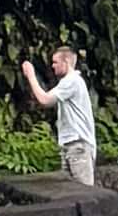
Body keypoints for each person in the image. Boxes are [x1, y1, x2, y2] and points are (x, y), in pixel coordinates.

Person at [22, 45, 99, 189]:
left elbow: (45, 100)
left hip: (78, 146)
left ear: (66, 62)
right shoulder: (68, 82)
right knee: (71, 195)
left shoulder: (72, 81)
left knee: (84, 195)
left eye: (55, 62)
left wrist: (31, 76)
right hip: (70, 146)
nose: (52, 66)